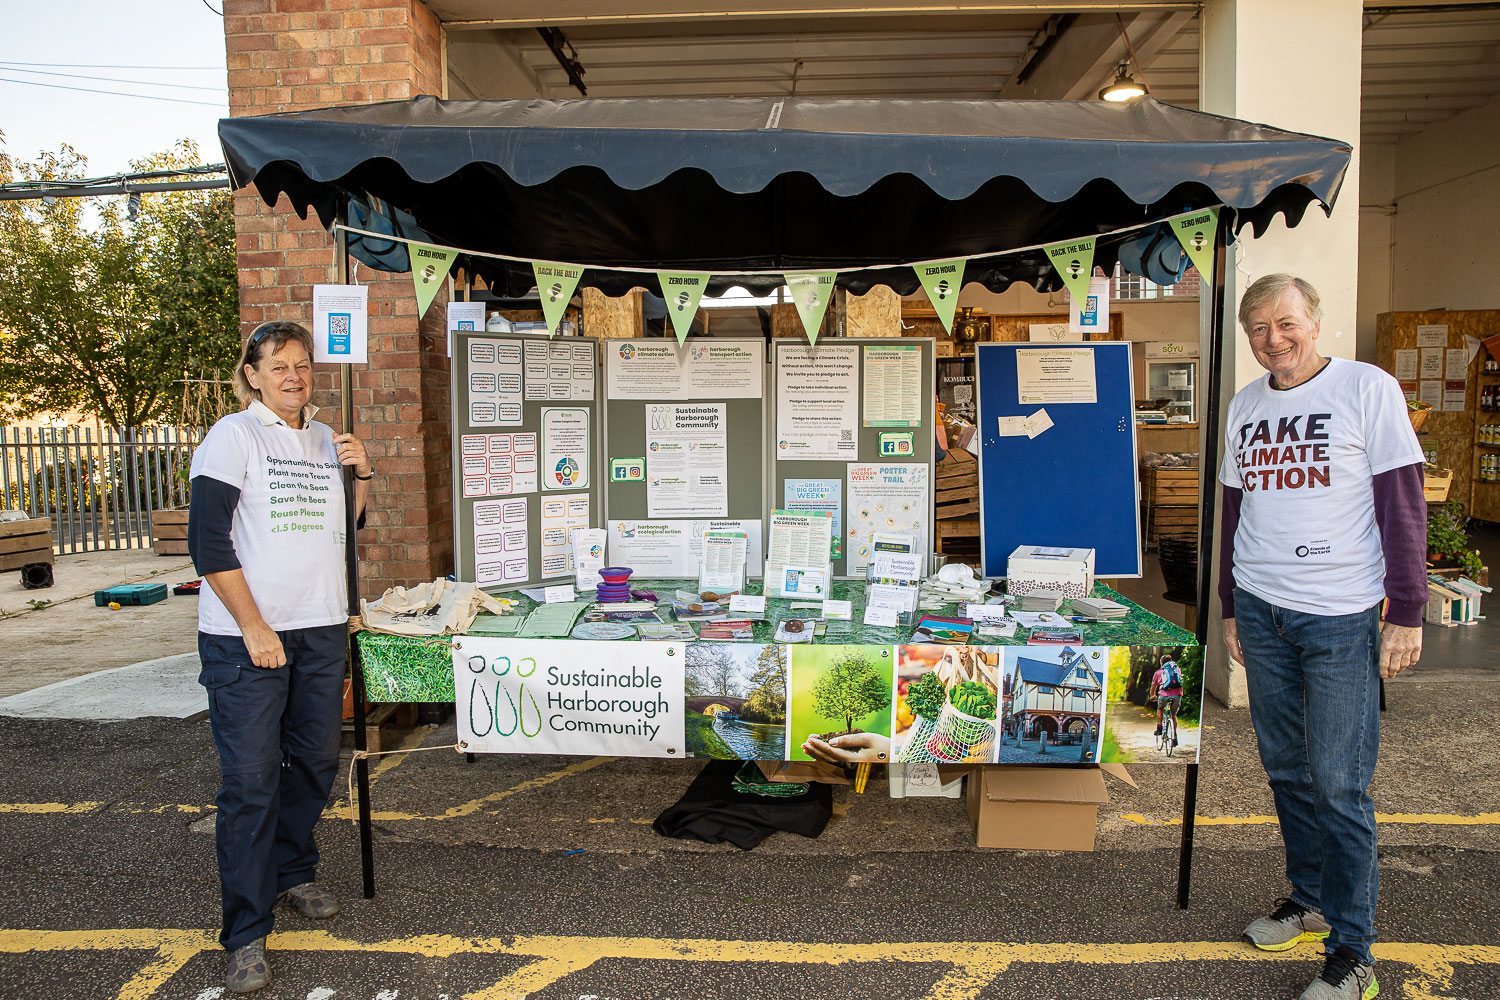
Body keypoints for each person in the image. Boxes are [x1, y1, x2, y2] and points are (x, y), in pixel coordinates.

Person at [1218, 275, 1425, 1000]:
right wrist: (1230, 605)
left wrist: (1407, 609)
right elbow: (1234, 510)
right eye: (1257, 328)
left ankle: (1354, 950)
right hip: (1261, 608)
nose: (1272, 339)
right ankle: (1308, 897)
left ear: (1314, 321)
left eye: (1285, 323)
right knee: (1286, 770)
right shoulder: (1246, 405)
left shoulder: (1366, 389)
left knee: (1339, 784)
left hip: (1339, 614)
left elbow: (1402, 503)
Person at [188, 321, 373, 994]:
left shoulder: (324, 438)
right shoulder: (233, 436)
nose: (294, 376)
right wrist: (253, 625)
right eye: (279, 365)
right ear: (253, 375)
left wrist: (362, 471)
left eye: (302, 364)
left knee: (317, 764)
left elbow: (347, 526)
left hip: (320, 629)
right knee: (251, 782)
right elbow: (208, 543)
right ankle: (245, 931)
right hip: (248, 640)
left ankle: (293, 870)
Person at [1149, 653, 1184, 739]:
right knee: (1173, 715)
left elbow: (1153, 687)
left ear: (1161, 663)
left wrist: (1153, 695)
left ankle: (1159, 728)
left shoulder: (1158, 672)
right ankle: (1174, 736)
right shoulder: (1177, 669)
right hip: (1177, 695)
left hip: (1164, 695)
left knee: (1160, 709)